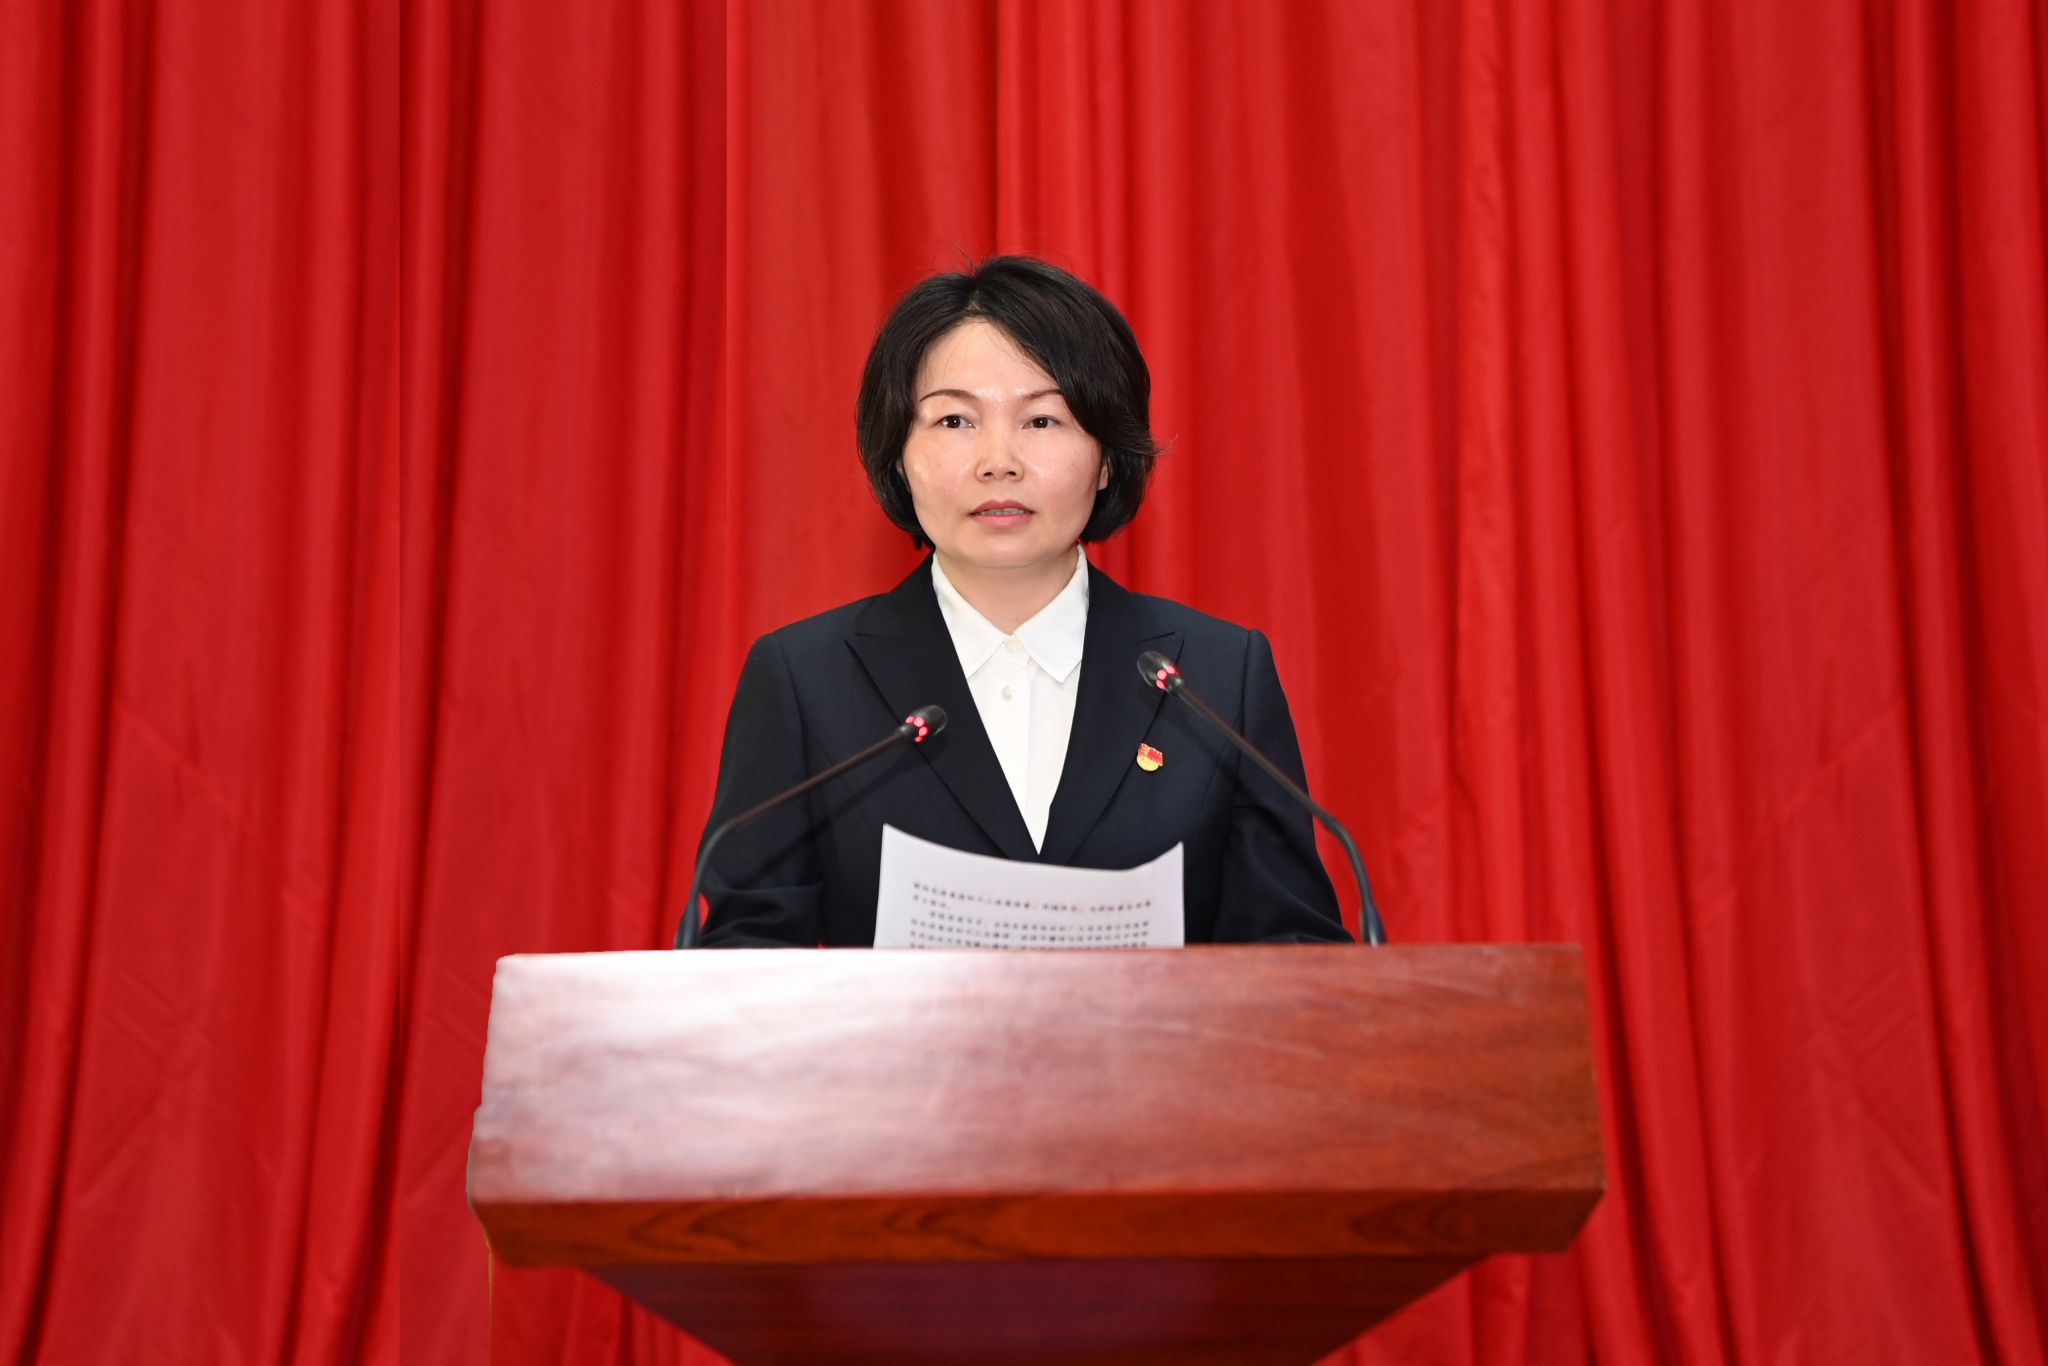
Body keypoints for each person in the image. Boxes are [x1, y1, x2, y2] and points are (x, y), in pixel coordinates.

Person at [687, 256, 1351, 947]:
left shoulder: (1215, 678)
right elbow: (746, 958)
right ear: (898, 457)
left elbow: (1296, 957)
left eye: (1041, 421)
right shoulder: (805, 681)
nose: (998, 461)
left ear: (1107, 459)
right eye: (954, 421)